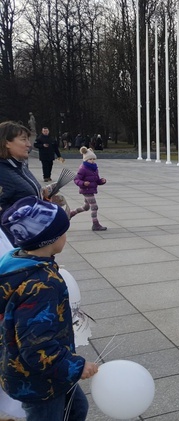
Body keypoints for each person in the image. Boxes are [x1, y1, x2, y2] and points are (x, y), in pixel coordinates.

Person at [0, 197, 99, 421]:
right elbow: (36, 348)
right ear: (51, 239)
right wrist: (76, 367)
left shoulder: (19, 263)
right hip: (39, 381)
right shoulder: (41, 284)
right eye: (64, 231)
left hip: (46, 371)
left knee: (76, 408)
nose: (66, 236)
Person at [69, 147, 107, 231]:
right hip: (86, 190)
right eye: (90, 159)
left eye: (93, 159)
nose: (92, 160)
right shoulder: (83, 168)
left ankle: (71, 213)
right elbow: (76, 179)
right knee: (94, 207)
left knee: (86, 207)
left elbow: (96, 180)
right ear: (86, 159)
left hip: (90, 189)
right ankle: (95, 224)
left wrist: (101, 181)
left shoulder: (94, 168)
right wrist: (83, 183)